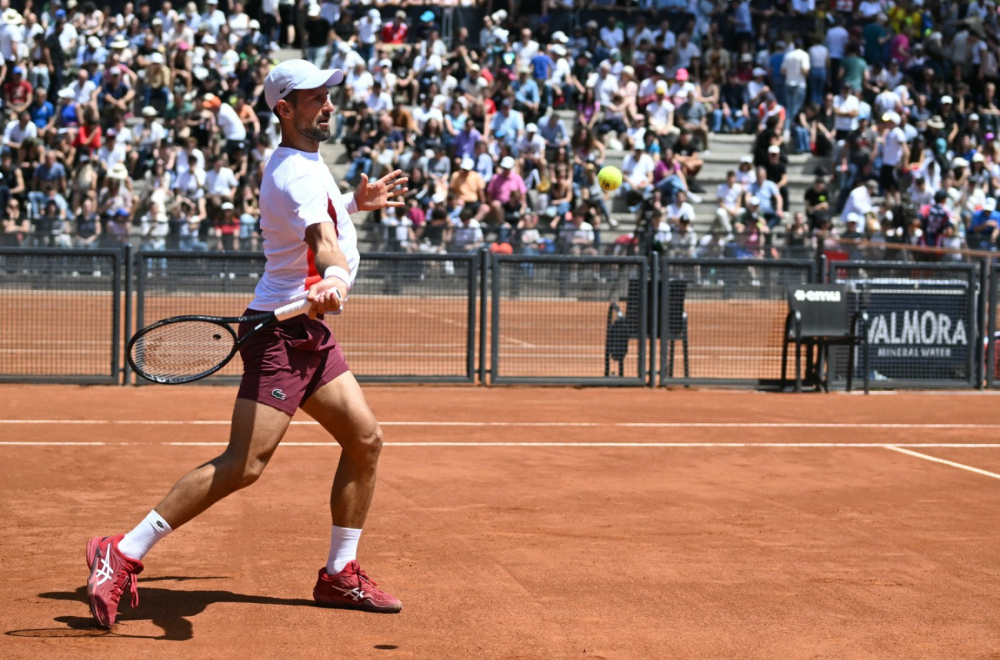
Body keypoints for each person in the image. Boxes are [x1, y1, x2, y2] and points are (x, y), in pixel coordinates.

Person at [85, 60, 409, 628]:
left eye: (328, 96)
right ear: (284, 109)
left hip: (310, 332)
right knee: (245, 464)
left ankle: (339, 574)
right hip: (280, 334)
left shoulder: (306, 163)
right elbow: (322, 241)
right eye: (314, 98)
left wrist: (355, 203)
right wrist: (333, 276)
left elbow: (319, 222)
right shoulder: (296, 172)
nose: (328, 105)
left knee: (366, 440)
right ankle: (123, 550)